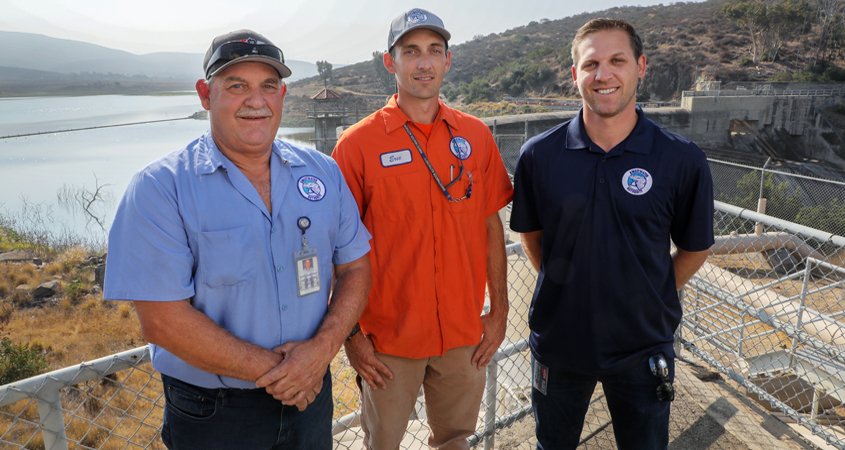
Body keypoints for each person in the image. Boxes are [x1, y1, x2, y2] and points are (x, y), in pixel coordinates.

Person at [103, 29, 371, 450]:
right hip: (215, 414)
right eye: (236, 86)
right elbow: (162, 321)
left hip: (310, 399)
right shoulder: (161, 188)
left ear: (282, 95)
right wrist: (287, 373)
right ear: (205, 94)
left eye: (268, 86)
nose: (256, 101)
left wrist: (320, 350)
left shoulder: (321, 173)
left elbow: (355, 267)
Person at [510, 18, 714, 449]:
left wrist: (650, 292)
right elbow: (532, 237)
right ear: (574, 75)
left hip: (643, 349)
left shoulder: (680, 159)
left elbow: (695, 248)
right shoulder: (539, 156)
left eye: (617, 60)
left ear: (641, 66)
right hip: (560, 346)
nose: (603, 74)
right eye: (591, 64)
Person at [331, 8, 514, 450]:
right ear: (389, 61)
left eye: (435, 51)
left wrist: (500, 312)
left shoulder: (476, 136)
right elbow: (335, 250)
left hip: (463, 334)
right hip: (388, 342)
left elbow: (492, 227)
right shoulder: (356, 146)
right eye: (410, 51)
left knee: (455, 440)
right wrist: (352, 338)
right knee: (383, 443)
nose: (424, 62)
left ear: (448, 61)